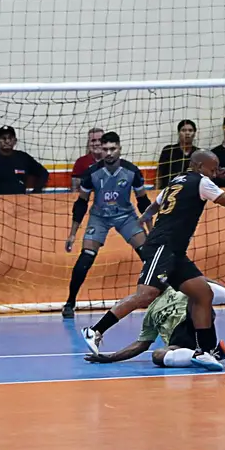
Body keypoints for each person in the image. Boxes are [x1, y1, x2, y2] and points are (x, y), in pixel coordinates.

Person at [81, 150, 225, 371]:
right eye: (212, 169)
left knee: (203, 293)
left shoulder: (175, 182)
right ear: (199, 166)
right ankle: (95, 330)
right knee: (146, 295)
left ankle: (204, 352)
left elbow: (155, 205)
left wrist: (145, 217)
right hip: (163, 246)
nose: (214, 173)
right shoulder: (201, 182)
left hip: (175, 250)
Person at [62, 131, 151, 318]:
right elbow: (81, 203)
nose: (109, 153)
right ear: (99, 150)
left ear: (120, 149)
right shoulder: (91, 173)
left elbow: (143, 202)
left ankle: (163, 296)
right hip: (99, 217)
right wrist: (72, 234)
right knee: (85, 258)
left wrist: (152, 231)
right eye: (105, 149)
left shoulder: (131, 171)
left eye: (113, 149)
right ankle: (70, 302)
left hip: (125, 215)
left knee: (149, 256)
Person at [84, 273, 225, 367]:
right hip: (178, 343)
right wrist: (111, 357)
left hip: (197, 324)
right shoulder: (150, 313)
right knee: (157, 355)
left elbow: (200, 281)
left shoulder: (180, 287)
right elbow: (142, 344)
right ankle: (205, 355)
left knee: (196, 294)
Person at [0, 125, 49, 195]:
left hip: (19, 203)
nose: (7, 141)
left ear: (15, 141)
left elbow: (43, 173)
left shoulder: (23, 158)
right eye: (3, 138)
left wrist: (36, 192)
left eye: (10, 138)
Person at [156, 120, 198, 189]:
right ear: (179, 133)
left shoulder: (198, 152)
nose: (187, 133)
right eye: (184, 130)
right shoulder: (169, 150)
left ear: (194, 133)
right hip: (169, 189)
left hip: (191, 190)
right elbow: (159, 174)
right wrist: (157, 190)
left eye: (190, 130)